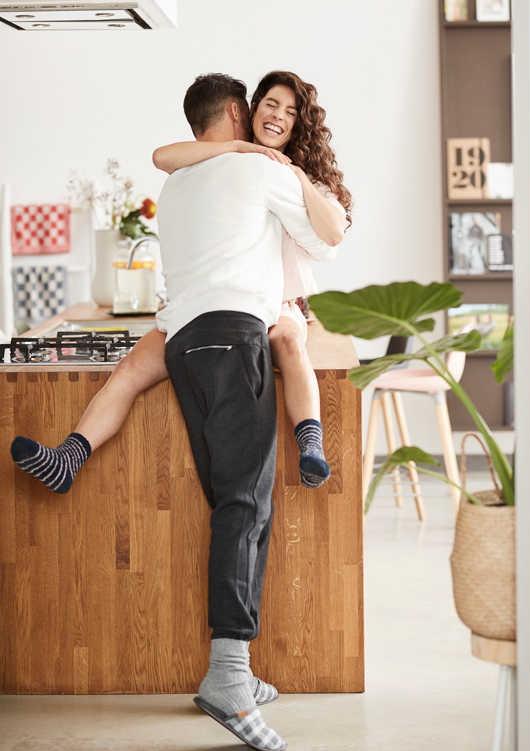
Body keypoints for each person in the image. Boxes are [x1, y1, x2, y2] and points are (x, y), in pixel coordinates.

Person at [11, 72, 339, 751]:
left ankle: (238, 674)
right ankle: (227, 673)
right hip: (231, 335)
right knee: (244, 507)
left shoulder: (180, 185)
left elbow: (170, 160)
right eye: (257, 109)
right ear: (235, 112)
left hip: (186, 344)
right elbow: (330, 234)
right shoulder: (256, 172)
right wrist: (285, 166)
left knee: (237, 502)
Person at [10, 70, 352, 494]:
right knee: (132, 366)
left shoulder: (281, 174)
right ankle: (70, 455)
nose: (276, 116)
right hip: (220, 304)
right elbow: (162, 156)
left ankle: (310, 443)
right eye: (269, 105)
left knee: (286, 342)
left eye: (290, 111)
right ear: (247, 110)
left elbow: (331, 240)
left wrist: (298, 176)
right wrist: (240, 146)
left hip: (275, 302)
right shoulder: (224, 164)